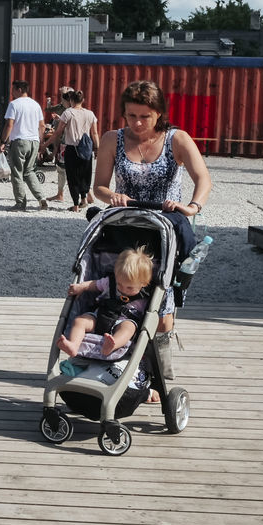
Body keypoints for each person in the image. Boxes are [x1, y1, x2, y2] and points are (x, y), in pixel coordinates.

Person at [92, 79, 212, 334]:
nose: (137, 123)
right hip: (126, 228)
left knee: (162, 318)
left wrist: (193, 206)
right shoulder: (112, 139)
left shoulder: (176, 139)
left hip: (165, 231)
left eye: (144, 117)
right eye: (131, 116)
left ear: (159, 113)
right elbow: (99, 187)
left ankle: (154, 348)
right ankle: (123, 345)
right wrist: (113, 196)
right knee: (123, 296)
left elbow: (203, 178)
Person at [57, 247, 154, 358]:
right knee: (79, 321)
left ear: (144, 283)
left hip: (123, 321)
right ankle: (73, 345)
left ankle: (112, 345)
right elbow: (94, 284)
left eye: (129, 287)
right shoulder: (110, 283)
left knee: (129, 328)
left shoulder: (144, 298)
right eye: (119, 284)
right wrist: (82, 286)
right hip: (100, 316)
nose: (123, 289)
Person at [44, 90, 99, 211]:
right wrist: (97, 148)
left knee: (72, 176)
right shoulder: (90, 114)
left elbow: (58, 132)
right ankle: (83, 198)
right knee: (84, 174)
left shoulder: (68, 113)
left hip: (72, 148)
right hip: (86, 148)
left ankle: (75, 205)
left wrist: (45, 144)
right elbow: (94, 133)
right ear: (83, 100)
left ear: (71, 100)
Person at [2, 80, 47, 211]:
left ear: (19, 90)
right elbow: (42, 125)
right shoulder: (36, 105)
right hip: (34, 141)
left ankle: (20, 203)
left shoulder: (14, 104)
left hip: (20, 140)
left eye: (13, 89)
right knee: (29, 171)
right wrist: (41, 142)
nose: (12, 92)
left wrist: (3, 141)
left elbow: (9, 124)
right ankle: (41, 198)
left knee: (17, 172)